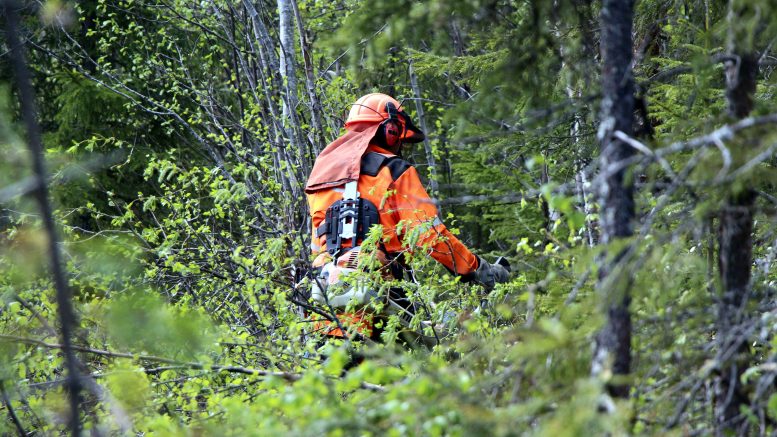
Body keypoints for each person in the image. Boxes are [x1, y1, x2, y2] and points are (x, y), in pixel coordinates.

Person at [304, 93, 508, 340]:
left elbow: (318, 244)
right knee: (408, 368)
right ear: (388, 129)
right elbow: (429, 236)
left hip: (325, 298)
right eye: (397, 134)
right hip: (380, 298)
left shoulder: (321, 177)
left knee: (330, 372)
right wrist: (477, 269)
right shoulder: (393, 170)